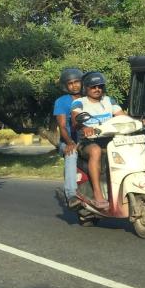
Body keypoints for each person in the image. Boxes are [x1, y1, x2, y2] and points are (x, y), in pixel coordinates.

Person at [71, 71, 125, 209]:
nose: (97, 89)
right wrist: (84, 127)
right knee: (95, 151)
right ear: (86, 88)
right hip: (87, 143)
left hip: (110, 140)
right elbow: (75, 119)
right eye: (93, 87)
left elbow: (122, 116)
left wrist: (138, 122)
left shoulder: (109, 101)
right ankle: (98, 193)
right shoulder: (79, 102)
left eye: (100, 86)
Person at [54, 68, 84, 208]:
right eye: (70, 83)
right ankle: (71, 194)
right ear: (66, 86)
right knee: (71, 154)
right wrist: (70, 142)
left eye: (77, 82)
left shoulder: (89, 97)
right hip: (68, 141)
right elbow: (62, 126)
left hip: (89, 140)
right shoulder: (61, 101)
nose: (74, 85)